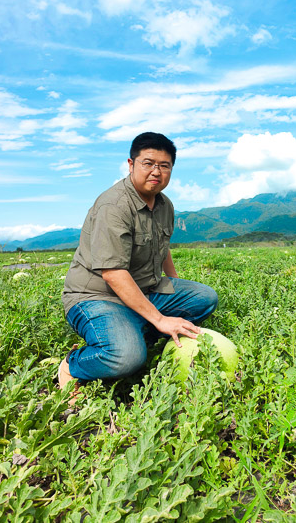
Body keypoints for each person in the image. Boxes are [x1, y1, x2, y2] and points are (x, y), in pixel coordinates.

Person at [58, 132, 218, 399]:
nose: (156, 171)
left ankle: (136, 325)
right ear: (131, 164)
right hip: (97, 297)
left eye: (164, 166)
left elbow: (162, 245)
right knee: (125, 358)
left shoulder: (165, 205)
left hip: (145, 290)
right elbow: (112, 273)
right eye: (148, 163)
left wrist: (174, 286)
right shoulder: (114, 205)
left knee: (204, 298)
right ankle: (73, 365)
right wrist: (160, 319)